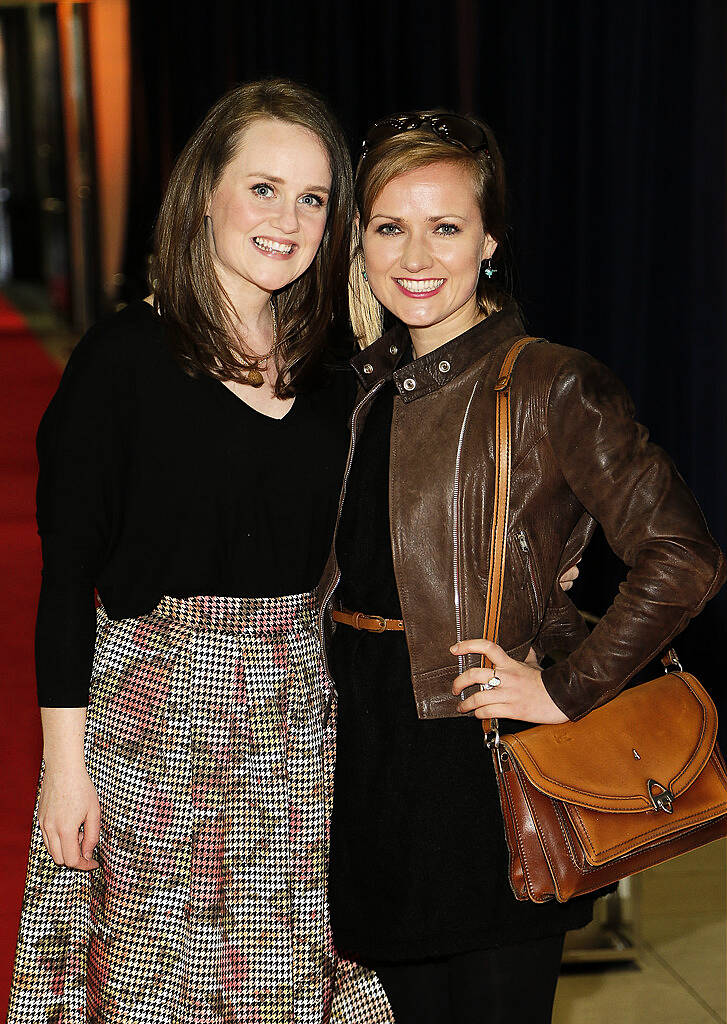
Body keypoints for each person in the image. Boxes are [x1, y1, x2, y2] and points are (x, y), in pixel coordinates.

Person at [320, 110, 726, 1024]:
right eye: (389, 226)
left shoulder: (549, 382)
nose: (415, 254)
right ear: (358, 240)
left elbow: (683, 553)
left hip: (480, 760)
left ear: (490, 240)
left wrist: (569, 687)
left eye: (446, 226)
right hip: (373, 761)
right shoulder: (360, 388)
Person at [7, 79, 393, 1024]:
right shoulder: (123, 360)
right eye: (263, 188)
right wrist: (65, 766)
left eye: (313, 200)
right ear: (204, 195)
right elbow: (66, 579)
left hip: (300, 717)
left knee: (293, 971)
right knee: (156, 975)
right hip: (154, 718)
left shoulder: (337, 368)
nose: (288, 219)